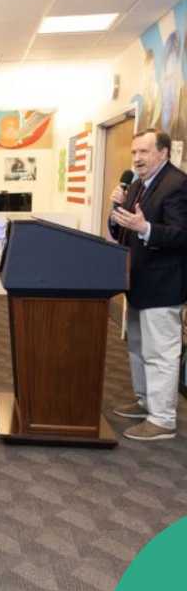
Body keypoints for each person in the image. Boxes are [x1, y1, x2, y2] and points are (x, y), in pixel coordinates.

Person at [109, 128, 187, 441]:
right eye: (134, 153)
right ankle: (146, 402)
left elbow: (182, 234)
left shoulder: (177, 185)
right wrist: (116, 216)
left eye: (144, 152)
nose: (137, 159)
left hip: (163, 284)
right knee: (139, 349)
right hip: (138, 282)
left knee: (161, 353)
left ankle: (163, 419)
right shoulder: (138, 185)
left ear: (163, 152)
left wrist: (146, 228)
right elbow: (124, 233)